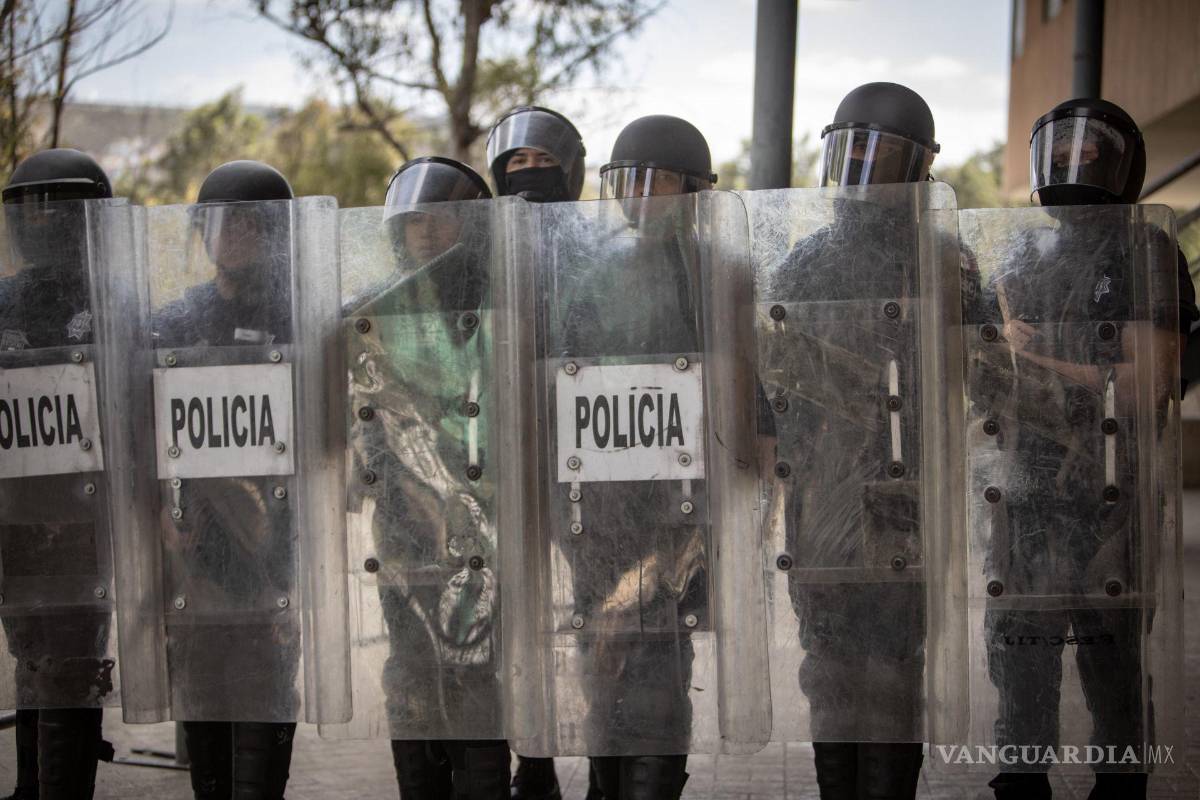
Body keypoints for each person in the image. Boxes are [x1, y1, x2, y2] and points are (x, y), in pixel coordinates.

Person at [980, 97, 1197, 800]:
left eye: (1094, 148)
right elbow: (986, 378)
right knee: (1019, 660)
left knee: (1113, 667)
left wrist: (1040, 366)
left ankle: (1120, 784)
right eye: (1063, 147)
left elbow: (1147, 386)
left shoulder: (1147, 248)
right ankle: (1021, 782)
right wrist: (1001, 354)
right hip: (1023, 488)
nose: (1076, 163)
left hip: (1112, 493)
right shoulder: (1020, 249)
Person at [764, 82, 942, 800]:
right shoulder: (805, 263)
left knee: (896, 665)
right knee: (830, 664)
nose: (864, 166)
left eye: (883, 151)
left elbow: (988, 370)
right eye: (852, 147)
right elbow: (771, 380)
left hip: (908, 495)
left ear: (920, 166)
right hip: (822, 496)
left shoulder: (940, 260)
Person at [345, 156, 512, 799]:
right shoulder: (375, 311)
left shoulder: (506, 303)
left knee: (475, 670)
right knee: (412, 676)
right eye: (413, 221)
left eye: (440, 218)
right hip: (406, 526)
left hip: (490, 520)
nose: (425, 232)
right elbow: (368, 423)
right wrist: (414, 497)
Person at [563, 114, 718, 800]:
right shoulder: (589, 271)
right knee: (601, 652)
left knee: (661, 654)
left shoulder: (718, 268)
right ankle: (604, 785)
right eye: (631, 181)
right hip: (598, 495)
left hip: (681, 498)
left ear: (693, 189)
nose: (644, 195)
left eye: (661, 181)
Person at [154, 160, 303, 800]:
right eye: (219, 223)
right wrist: (159, 515)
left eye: (250, 224)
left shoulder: (305, 318)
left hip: (277, 548)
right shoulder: (175, 320)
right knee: (204, 689)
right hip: (193, 547)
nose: (234, 236)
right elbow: (143, 434)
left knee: (265, 686)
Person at [0, 148, 118, 800]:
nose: (47, 222)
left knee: (72, 664)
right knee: (30, 654)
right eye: (33, 209)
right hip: (17, 519)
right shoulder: (2, 301)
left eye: (63, 209)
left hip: (87, 519)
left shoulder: (116, 301)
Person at [485, 105, 586, 800]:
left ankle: (608, 759)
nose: (528, 175)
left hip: (586, 457)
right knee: (511, 621)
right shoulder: (481, 247)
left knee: (597, 615)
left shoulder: (597, 244)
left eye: (542, 162)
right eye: (515, 164)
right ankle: (534, 759)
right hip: (504, 458)